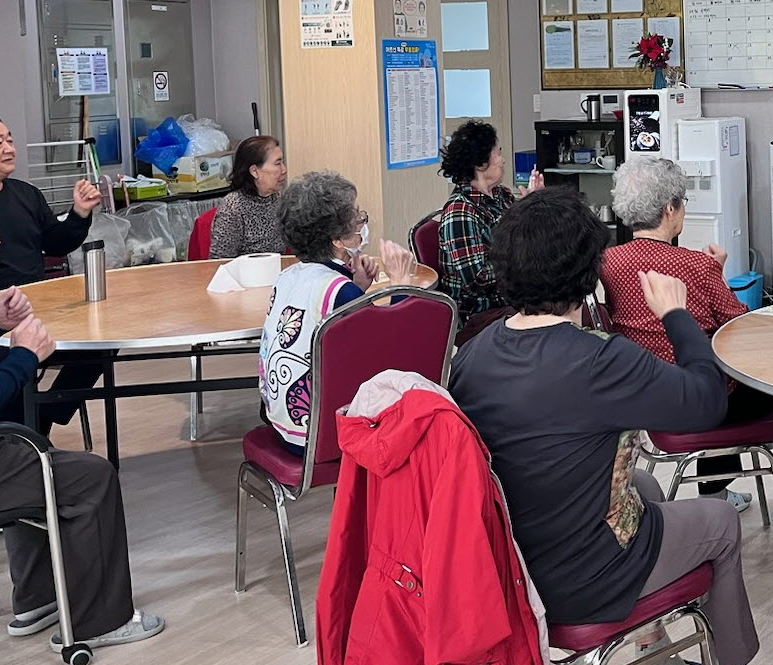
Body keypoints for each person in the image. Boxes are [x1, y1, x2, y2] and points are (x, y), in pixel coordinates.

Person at [451, 188, 773, 665]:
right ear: (589, 268)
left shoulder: (476, 353)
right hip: (580, 578)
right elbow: (704, 401)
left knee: (646, 488)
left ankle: (659, 664)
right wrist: (675, 314)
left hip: (508, 566)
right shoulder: (597, 358)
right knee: (719, 519)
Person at [0, 181, 163, 648]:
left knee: (24, 446)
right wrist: (26, 356)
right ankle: (99, 623)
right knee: (88, 477)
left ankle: (38, 599)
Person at [601, 156, 773, 527]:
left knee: (708, 371)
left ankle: (716, 494)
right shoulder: (695, 265)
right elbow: (740, 326)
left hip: (646, 398)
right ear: (670, 209)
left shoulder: (607, 262)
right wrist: (718, 273)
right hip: (704, 400)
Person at [0, 111, 105, 436]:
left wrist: (79, 213)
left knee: (103, 339)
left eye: (10, 140)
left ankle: (48, 412)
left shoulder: (25, 193)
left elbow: (55, 244)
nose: (9, 148)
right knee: (5, 360)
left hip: (36, 310)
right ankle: (23, 439)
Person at [260, 171, 430, 455]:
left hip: (280, 421)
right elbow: (395, 348)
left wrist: (356, 287)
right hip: (317, 434)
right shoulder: (338, 291)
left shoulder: (288, 276)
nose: (362, 225)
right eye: (357, 220)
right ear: (338, 239)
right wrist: (401, 283)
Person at [436, 120, 542, 346]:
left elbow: (521, 236)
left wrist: (532, 206)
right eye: (498, 153)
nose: (503, 160)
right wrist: (521, 262)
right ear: (482, 163)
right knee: (551, 324)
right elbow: (478, 280)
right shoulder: (460, 211)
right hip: (479, 314)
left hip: (512, 300)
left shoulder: (501, 196)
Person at [209, 135, 288, 258]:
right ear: (254, 171)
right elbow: (220, 261)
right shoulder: (233, 208)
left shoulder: (279, 200)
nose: (284, 170)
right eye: (277, 164)